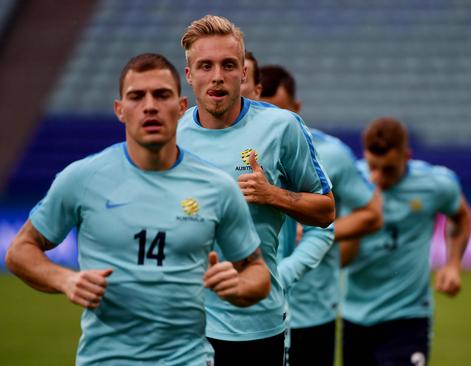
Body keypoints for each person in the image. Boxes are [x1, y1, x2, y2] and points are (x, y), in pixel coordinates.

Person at [4, 53, 270, 365]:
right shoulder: (82, 178)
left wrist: (238, 286)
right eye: (136, 96)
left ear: (182, 107)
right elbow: (20, 250)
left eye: (161, 95)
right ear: (120, 110)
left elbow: (258, 271)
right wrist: (65, 280)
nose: (150, 106)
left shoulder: (217, 186)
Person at [176, 15, 335, 365]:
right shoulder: (173, 135)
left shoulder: (281, 127)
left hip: (255, 325)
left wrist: (272, 195)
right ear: (189, 76)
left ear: (244, 74)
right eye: (205, 65)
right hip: (183, 327)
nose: (217, 76)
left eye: (228, 65)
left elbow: (326, 211)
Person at [259, 64, 383, 366]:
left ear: (297, 108)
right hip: (257, 310)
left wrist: (323, 228)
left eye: (282, 113)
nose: (274, 123)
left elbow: (373, 212)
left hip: (312, 311)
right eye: (265, 112)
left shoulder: (332, 153)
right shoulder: (240, 152)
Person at [341, 117, 471, 366]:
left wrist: (453, 263)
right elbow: (342, 260)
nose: (378, 177)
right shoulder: (350, 183)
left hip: (407, 317)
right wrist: (363, 217)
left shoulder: (436, 184)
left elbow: (461, 216)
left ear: (406, 155)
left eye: (388, 169)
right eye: (372, 167)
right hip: (355, 317)